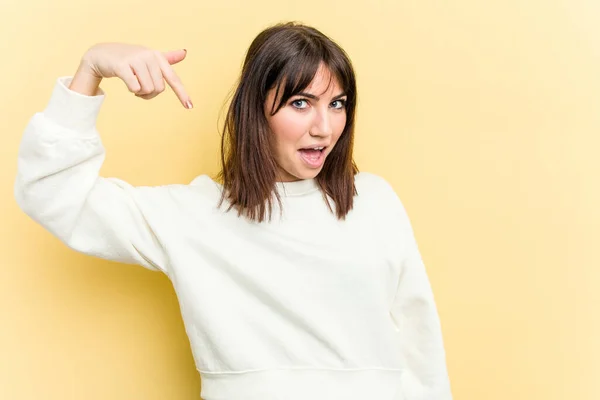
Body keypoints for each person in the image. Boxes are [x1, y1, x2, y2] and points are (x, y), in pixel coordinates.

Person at [14, 22, 452, 400]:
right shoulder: (194, 215)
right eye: (301, 103)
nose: (324, 127)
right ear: (255, 111)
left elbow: (420, 348)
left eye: (336, 103)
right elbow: (52, 191)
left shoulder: (373, 201)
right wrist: (92, 66)